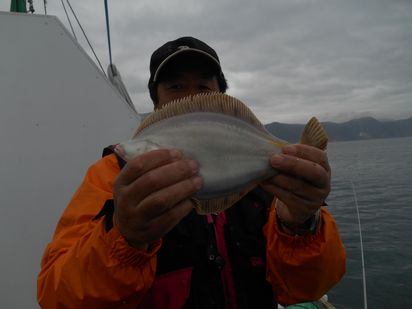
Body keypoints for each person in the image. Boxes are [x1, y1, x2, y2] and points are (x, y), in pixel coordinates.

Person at [37, 36, 346, 308]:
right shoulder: (111, 175)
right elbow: (59, 298)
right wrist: (126, 238)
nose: (190, 97)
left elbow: (305, 289)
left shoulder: (271, 186)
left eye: (203, 87)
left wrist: (302, 222)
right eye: (175, 86)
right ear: (156, 100)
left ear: (220, 96)